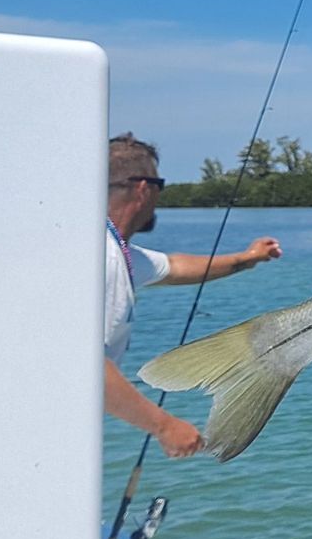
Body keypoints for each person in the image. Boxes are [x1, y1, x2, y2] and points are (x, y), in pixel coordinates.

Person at [104, 133, 282, 457]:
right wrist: (163, 425)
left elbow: (173, 266)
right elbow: (85, 367)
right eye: (161, 186)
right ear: (144, 189)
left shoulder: (117, 249)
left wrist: (248, 258)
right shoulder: (105, 258)